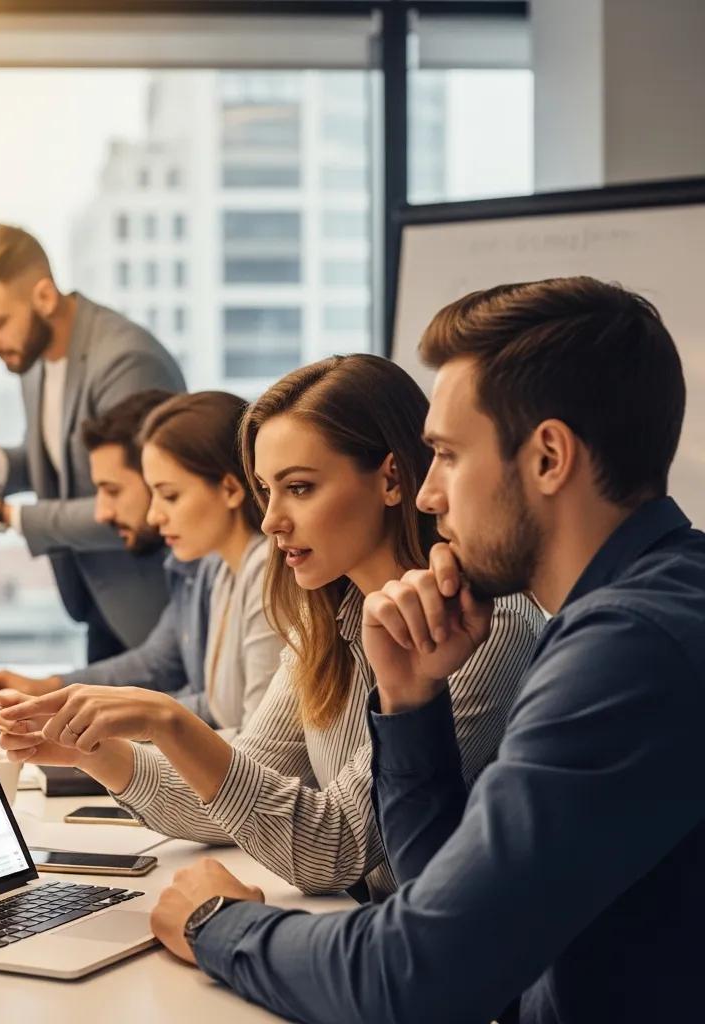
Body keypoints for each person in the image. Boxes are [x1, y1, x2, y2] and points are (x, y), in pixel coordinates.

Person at [146, 277, 704, 1024]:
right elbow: (446, 908)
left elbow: (413, 977)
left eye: (444, 456)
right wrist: (409, 703)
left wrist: (216, 923)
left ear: (547, 459)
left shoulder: (627, 649)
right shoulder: (647, 600)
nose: (427, 495)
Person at [0, 355, 543, 898]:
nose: (270, 520)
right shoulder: (326, 616)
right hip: (369, 937)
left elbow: (335, 848)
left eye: (299, 488)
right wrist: (93, 751)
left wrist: (169, 722)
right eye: (267, 490)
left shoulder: (483, 628)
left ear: (392, 479)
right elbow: (229, 800)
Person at [0, 224, 185, 664]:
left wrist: (1, 514)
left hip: (154, 611)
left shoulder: (126, 361)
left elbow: (139, 503)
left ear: (43, 296)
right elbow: (65, 467)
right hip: (100, 605)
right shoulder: (36, 360)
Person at [0, 391, 281, 731]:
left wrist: (99, 730)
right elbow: (211, 705)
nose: (154, 515)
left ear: (230, 490)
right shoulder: (221, 570)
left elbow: (259, 746)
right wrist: (62, 710)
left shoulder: (261, 571)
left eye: (169, 495)